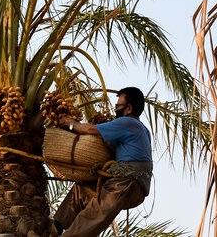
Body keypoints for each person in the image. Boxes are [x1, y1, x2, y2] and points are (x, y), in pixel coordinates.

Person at [52, 87, 153, 237]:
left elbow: (90, 130)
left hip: (127, 182)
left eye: (118, 106)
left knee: (95, 214)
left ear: (129, 108)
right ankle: (55, 226)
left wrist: (71, 124)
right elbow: (111, 146)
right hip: (133, 185)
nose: (115, 109)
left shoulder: (128, 122)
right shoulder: (142, 129)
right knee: (83, 189)